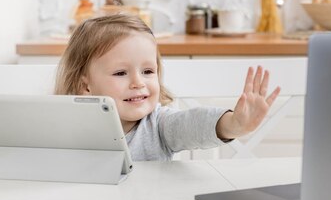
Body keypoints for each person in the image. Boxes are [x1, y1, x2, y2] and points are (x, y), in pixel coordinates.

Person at [55, 13, 281, 161]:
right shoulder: (68, 130)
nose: (138, 83)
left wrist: (233, 124)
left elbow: (193, 124)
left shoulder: (159, 126)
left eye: (148, 71)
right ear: (86, 86)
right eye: (121, 73)